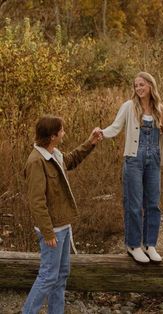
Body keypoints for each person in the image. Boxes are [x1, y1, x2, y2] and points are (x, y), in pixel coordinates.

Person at [22, 115, 102, 314]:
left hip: (64, 225)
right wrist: (48, 233)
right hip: (52, 231)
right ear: (52, 136)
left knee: (61, 275)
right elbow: (36, 202)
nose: (64, 133)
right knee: (48, 276)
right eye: (62, 130)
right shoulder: (36, 161)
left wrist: (90, 143)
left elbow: (71, 159)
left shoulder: (54, 153)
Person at [101, 72, 163, 264]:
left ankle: (150, 244)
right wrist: (101, 133)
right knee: (134, 204)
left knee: (153, 203)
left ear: (150, 86)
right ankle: (133, 245)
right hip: (134, 159)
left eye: (142, 85)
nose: (138, 88)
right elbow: (115, 126)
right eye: (136, 85)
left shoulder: (158, 108)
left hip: (153, 159)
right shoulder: (129, 107)